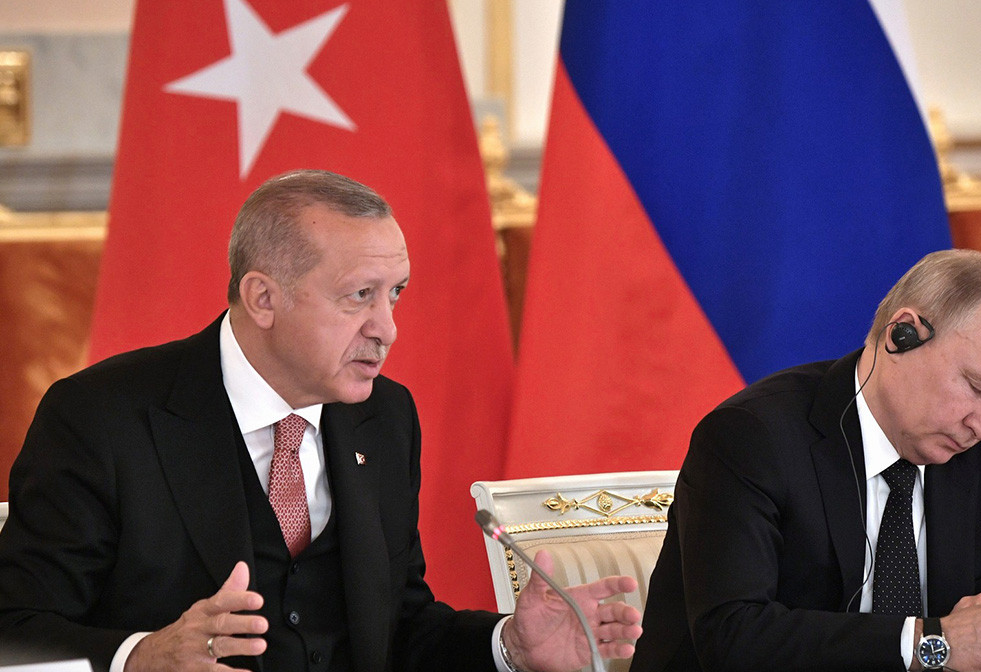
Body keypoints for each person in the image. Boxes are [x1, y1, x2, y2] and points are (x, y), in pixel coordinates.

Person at [0, 170, 643, 672]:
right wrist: (140, 657)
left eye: (395, 294)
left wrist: (510, 647)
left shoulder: (384, 417)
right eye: (359, 296)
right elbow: (14, 631)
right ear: (263, 298)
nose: (386, 329)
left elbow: (400, 632)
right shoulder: (103, 418)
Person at [631, 249, 981, 672]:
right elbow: (732, 635)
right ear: (901, 335)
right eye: (977, 388)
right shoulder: (753, 437)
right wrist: (934, 643)